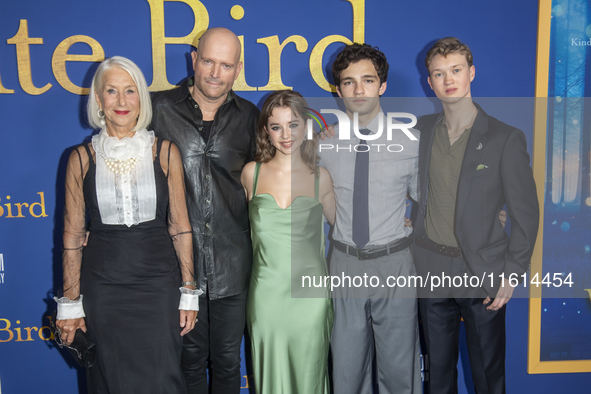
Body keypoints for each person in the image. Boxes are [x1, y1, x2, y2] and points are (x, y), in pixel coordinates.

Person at [55, 56, 200, 393]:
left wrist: (189, 291)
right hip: (103, 290)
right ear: (99, 100)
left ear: (141, 100)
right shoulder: (79, 158)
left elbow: (180, 227)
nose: (121, 101)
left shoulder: (165, 152)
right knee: (110, 379)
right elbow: (73, 237)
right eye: (111, 91)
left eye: (130, 91)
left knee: (163, 378)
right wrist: (71, 303)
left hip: (158, 288)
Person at [413, 37, 539, 394]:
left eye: (455, 70)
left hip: (483, 272)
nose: (448, 79)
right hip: (431, 269)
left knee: (487, 377)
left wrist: (512, 273)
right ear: (430, 82)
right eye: (439, 73)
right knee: (438, 377)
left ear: (471, 73)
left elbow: (526, 213)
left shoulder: (504, 138)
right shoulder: (419, 131)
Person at [150, 27, 259, 394]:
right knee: (189, 361)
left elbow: (274, 178)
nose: (215, 73)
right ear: (193, 59)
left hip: (233, 264)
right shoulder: (158, 109)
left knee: (228, 361)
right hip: (178, 265)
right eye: (208, 61)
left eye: (225, 65)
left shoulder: (250, 117)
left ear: (238, 68)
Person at [319, 43, 422, 394]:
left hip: (395, 264)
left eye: (367, 80)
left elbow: (432, 201)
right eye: (349, 82)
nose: (358, 89)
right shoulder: (323, 145)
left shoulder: (411, 142)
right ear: (338, 90)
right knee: (346, 374)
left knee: (399, 372)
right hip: (345, 263)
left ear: (383, 86)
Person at [240, 90, 335, 394]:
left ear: (305, 125)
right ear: (265, 131)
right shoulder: (251, 174)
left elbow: (347, 227)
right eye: (276, 126)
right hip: (266, 296)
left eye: (293, 125)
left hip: (311, 297)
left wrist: (400, 219)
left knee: (310, 377)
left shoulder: (322, 177)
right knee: (270, 379)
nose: (286, 135)